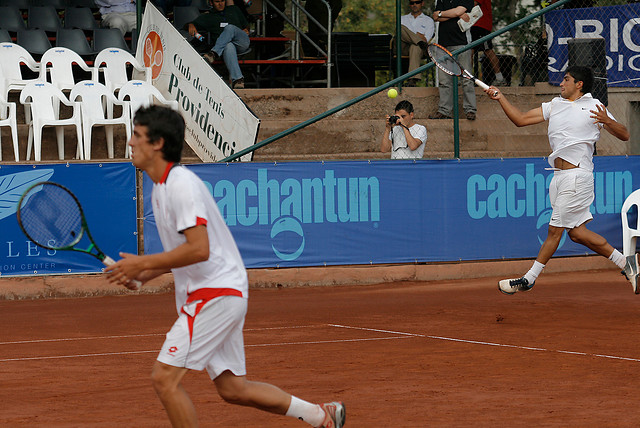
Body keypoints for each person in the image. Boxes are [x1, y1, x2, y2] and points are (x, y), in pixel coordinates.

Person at [105, 105, 346, 428]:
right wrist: (141, 276)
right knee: (233, 389)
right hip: (218, 292)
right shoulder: (160, 189)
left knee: (164, 379)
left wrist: (142, 263)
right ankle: (321, 415)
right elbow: (181, 253)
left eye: (137, 135)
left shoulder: (180, 185)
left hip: (214, 294)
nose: (131, 143)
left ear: (158, 143)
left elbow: (199, 249)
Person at [484, 66, 638, 295]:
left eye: (566, 79)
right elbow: (521, 119)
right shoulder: (555, 105)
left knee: (554, 231)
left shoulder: (595, 106)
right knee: (577, 233)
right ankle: (627, 263)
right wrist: (501, 98)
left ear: (579, 84)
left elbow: (625, 134)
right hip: (558, 178)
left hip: (578, 177)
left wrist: (607, 120)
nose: (561, 84)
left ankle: (529, 278)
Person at [429, 0, 477, 120]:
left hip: (462, 43)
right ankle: (444, 111)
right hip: (443, 45)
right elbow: (435, 16)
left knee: (466, 79)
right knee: (444, 80)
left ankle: (470, 110)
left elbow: (458, 11)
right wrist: (454, 14)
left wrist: (442, 14)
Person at [187, 0, 250, 89]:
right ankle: (238, 79)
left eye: (222, 1)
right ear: (211, 3)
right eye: (217, 1)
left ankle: (214, 53)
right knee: (229, 46)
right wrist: (190, 25)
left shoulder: (234, 9)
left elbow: (246, 25)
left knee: (230, 27)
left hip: (241, 41)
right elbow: (188, 25)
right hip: (226, 47)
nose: (220, 4)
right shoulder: (207, 17)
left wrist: (246, 29)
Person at [467, 0, 506, 86]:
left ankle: (500, 78)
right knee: (470, 51)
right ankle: (467, 78)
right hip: (473, 24)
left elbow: (473, 3)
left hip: (481, 24)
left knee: (487, 50)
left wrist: (456, 9)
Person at [400, 0, 435, 87]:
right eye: (412, 3)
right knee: (400, 28)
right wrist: (418, 37)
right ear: (409, 5)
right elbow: (400, 34)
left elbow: (426, 39)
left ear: (422, 3)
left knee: (415, 46)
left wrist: (410, 35)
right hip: (403, 48)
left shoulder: (428, 20)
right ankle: (418, 41)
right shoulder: (402, 18)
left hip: (418, 49)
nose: (414, 5)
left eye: (417, 2)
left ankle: (412, 80)